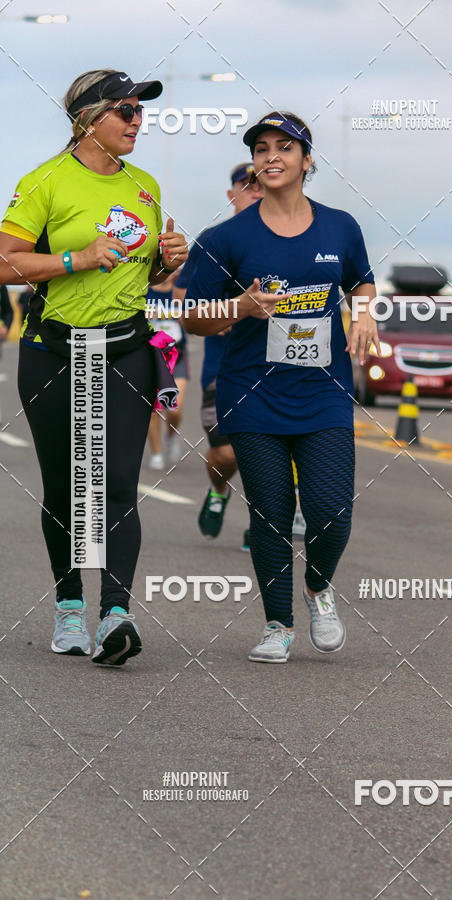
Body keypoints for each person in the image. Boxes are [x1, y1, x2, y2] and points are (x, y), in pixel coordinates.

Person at [0, 68, 188, 665]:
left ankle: (115, 614)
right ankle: (69, 608)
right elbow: (5, 264)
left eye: (141, 111)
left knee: (114, 486)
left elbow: (145, 275)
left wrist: (166, 261)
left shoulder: (145, 185)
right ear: (88, 119)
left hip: (126, 349)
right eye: (125, 111)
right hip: (54, 350)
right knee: (65, 487)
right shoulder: (44, 182)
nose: (139, 121)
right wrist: (75, 257)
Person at [184, 111, 379, 662]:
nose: (271, 156)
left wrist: (364, 314)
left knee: (331, 510)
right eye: (262, 148)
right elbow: (193, 317)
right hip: (252, 391)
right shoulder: (224, 237)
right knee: (269, 513)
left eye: (284, 148)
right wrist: (238, 307)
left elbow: (361, 279)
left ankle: (318, 588)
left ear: (306, 160)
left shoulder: (340, 226)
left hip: (324, 392)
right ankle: (277, 624)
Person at [173, 162, 263, 547]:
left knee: (268, 453)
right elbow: (181, 295)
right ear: (232, 193)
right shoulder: (215, 238)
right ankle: (219, 490)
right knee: (226, 454)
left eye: (260, 184)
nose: (255, 191)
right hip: (223, 367)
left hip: (275, 365)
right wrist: (220, 313)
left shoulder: (290, 234)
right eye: (247, 186)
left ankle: (261, 528)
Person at [146, 267, 189, 470]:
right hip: (152, 356)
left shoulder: (181, 292)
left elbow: (194, 322)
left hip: (177, 354)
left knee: (174, 408)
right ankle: (156, 453)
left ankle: (171, 436)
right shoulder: (145, 291)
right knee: (154, 410)